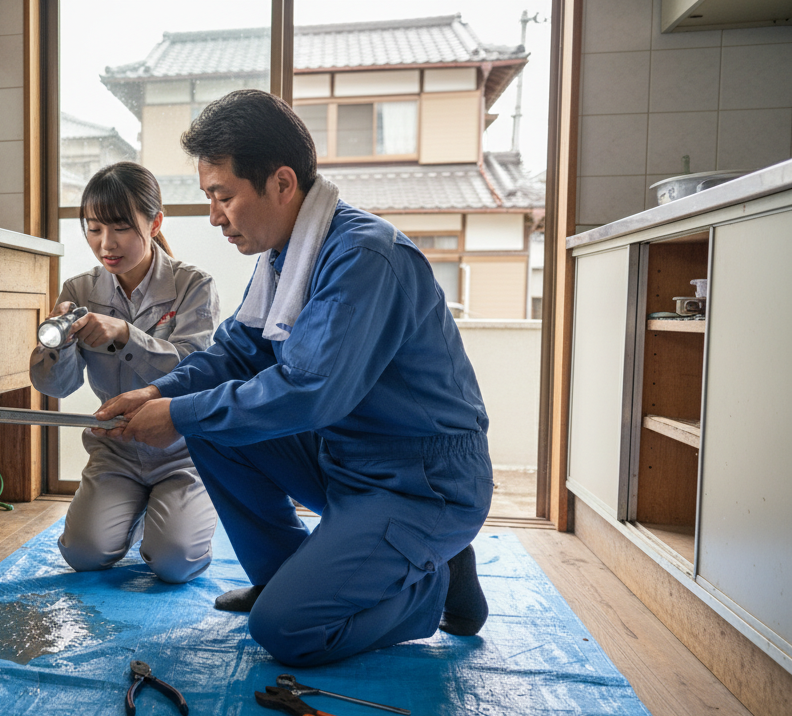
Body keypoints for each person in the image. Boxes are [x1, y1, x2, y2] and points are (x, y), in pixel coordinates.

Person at [94, 91, 494, 667]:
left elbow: (310, 391)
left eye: (223, 196)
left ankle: (433, 585)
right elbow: (237, 350)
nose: (214, 216)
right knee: (208, 423)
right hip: (349, 458)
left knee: (287, 632)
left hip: (422, 481)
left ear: (282, 183)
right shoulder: (286, 255)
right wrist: (160, 392)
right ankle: (288, 577)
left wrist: (178, 413)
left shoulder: (364, 257)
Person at [30, 161, 221, 584]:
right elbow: (53, 385)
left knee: (173, 562)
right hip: (116, 448)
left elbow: (197, 370)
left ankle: (178, 518)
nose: (105, 244)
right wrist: (56, 347)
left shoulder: (193, 285)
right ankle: (133, 515)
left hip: (183, 450)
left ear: (154, 223)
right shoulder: (79, 290)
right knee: (83, 554)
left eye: (120, 227)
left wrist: (126, 336)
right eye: (94, 229)